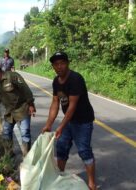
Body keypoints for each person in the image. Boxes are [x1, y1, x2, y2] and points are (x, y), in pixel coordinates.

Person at [42, 52, 96, 190]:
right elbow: (55, 103)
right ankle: (60, 178)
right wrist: (48, 124)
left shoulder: (75, 79)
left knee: (84, 150)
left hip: (83, 121)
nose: (59, 66)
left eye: (62, 63)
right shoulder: (56, 81)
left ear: (67, 64)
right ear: (53, 66)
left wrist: (60, 126)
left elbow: (72, 107)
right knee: (61, 147)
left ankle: (92, 183)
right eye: (56, 64)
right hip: (69, 121)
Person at [0, 63, 36, 157]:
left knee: (25, 133)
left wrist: (31, 104)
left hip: (22, 108)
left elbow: (25, 89)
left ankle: (27, 156)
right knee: (6, 132)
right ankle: (8, 153)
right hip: (9, 112)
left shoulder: (12, 76)